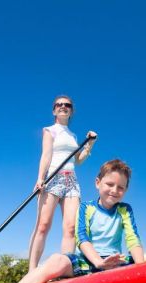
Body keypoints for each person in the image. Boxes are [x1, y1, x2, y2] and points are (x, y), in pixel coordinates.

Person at [9, 159, 144, 283]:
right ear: (98, 183)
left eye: (121, 187)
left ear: (126, 190)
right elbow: (82, 238)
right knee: (57, 259)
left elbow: (132, 239)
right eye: (110, 184)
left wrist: (141, 268)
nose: (114, 190)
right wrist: (98, 262)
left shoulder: (125, 209)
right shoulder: (86, 207)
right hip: (88, 262)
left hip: (115, 263)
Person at [28, 95, 97, 272]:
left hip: (71, 181)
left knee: (71, 228)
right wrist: (40, 178)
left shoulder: (73, 136)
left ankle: (64, 270)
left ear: (71, 111)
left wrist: (89, 144)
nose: (63, 107)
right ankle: (32, 271)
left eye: (67, 105)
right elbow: (46, 155)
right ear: (54, 110)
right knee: (43, 225)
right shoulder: (49, 130)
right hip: (52, 179)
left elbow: (78, 160)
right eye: (59, 104)